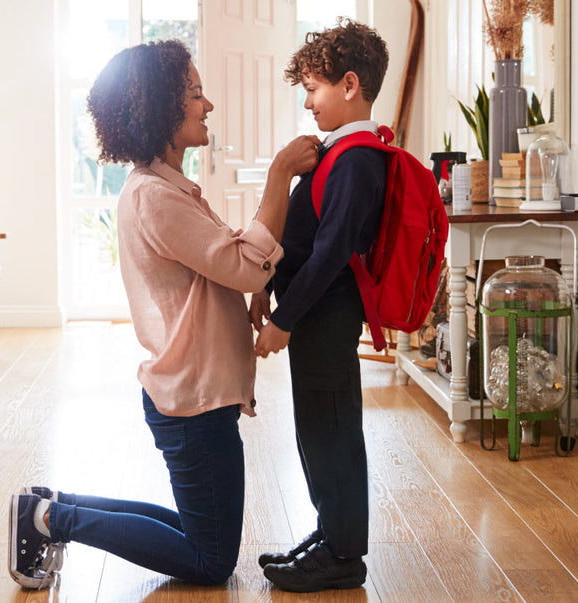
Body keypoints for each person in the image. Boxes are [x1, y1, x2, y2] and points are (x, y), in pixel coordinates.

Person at [7, 39, 321, 590]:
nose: (209, 106)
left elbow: (223, 266)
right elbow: (245, 265)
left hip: (193, 395)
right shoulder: (156, 197)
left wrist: (248, 285)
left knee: (202, 532)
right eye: (196, 94)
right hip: (194, 403)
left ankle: (50, 505)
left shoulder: (166, 188)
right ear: (159, 109)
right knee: (210, 559)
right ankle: (53, 520)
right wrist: (279, 176)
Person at [250, 18, 391, 593]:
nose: (307, 102)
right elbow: (305, 237)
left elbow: (332, 252)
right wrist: (267, 285)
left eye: (313, 89)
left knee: (332, 430)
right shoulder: (338, 152)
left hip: (326, 315)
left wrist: (285, 320)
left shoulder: (358, 158)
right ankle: (331, 534)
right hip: (315, 314)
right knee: (316, 427)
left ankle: (343, 555)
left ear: (350, 85)